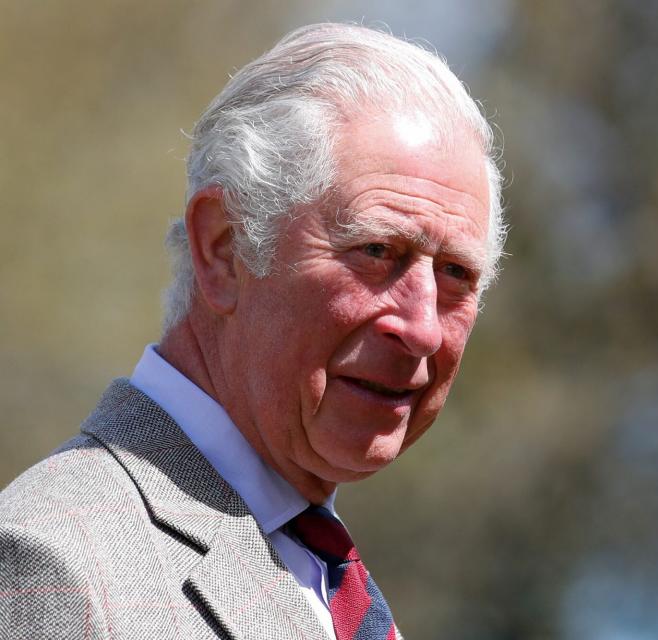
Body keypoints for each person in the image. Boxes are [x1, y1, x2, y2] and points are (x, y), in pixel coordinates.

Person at [0, 22, 505, 640]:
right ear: (223, 248)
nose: (423, 328)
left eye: (456, 273)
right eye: (377, 251)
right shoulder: (56, 566)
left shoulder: (320, 572)